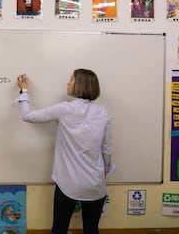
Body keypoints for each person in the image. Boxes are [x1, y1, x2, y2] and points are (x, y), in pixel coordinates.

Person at [15, 69, 112, 234]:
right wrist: (105, 171)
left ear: (80, 84)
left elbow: (28, 116)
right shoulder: (102, 112)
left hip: (69, 184)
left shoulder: (65, 109)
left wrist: (24, 90)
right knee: (91, 229)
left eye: (71, 79)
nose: (68, 83)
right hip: (95, 184)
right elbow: (107, 148)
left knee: (59, 228)